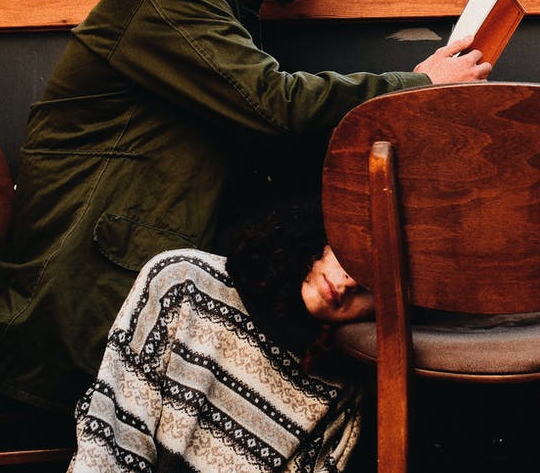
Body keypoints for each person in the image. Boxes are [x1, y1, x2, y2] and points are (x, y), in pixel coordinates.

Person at [0, 0, 489, 439]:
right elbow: (272, 101)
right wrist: (413, 87)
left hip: (119, 270)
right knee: (325, 347)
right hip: (77, 299)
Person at [70, 194, 375, 472]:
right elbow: (110, 438)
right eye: (351, 257)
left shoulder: (341, 391)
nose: (350, 282)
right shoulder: (183, 283)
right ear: (325, 233)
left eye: (372, 285)